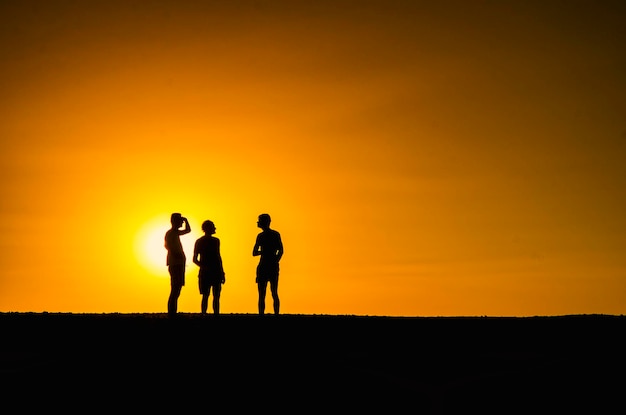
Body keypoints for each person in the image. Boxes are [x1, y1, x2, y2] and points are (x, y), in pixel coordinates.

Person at [252, 213, 283, 315]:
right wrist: (275, 259)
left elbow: (254, 252)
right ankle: (275, 314)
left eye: (259, 221)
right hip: (271, 265)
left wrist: (264, 253)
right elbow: (281, 250)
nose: (258, 223)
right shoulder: (275, 234)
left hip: (264, 265)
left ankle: (262, 313)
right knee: (273, 292)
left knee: (263, 293)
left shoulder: (261, 236)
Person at [193, 220, 226, 315]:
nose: (215, 228)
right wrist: (205, 267)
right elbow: (194, 259)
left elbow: (218, 256)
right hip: (208, 272)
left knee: (214, 296)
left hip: (214, 271)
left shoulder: (215, 241)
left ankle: (214, 314)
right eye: (213, 226)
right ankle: (205, 313)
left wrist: (222, 272)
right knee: (206, 295)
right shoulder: (201, 241)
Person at [164, 213, 191, 317]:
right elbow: (167, 245)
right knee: (175, 289)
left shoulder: (175, 233)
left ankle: (173, 312)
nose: (182, 223)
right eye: (181, 221)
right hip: (175, 264)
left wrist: (186, 220)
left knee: (177, 288)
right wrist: (176, 254)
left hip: (178, 263)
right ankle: (171, 312)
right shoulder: (170, 233)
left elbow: (188, 230)